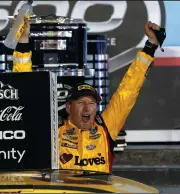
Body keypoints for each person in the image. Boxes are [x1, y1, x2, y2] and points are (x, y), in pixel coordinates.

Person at [11, 17, 163, 173]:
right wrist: (23, 41)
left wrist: (150, 46)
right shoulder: (53, 131)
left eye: (92, 104)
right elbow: (25, 91)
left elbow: (129, 89)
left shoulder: (106, 127)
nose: (87, 108)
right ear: (69, 107)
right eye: (81, 102)